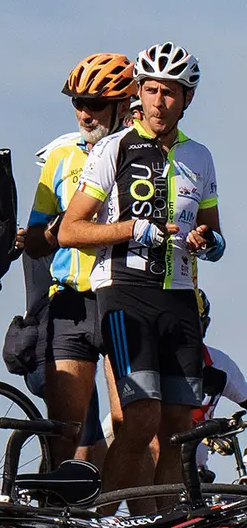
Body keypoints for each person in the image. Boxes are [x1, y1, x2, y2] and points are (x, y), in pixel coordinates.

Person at [58, 42, 223, 497]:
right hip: (126, 292)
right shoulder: (114, 148)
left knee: (179, 431)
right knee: (140, 419)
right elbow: (70, 230)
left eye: (169, 93)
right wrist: (135, 229)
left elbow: (213, 233)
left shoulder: (200, 156)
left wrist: (208, 242)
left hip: (181, 295)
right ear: (138, 92)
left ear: (186, 99)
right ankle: (101, 527)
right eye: (150, 90)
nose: (158, 102)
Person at [19, 54, 136, 461]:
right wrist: (63, 231)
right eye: (78, 103)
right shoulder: (60, 157)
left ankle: (117, 520)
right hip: (71, 301)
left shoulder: (142, 154)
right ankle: (65, 522)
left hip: (125, 295)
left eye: (96, 104)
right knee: (64, 430)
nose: (85, 114)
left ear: (124, 105)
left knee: (130, 424)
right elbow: (34, 239)